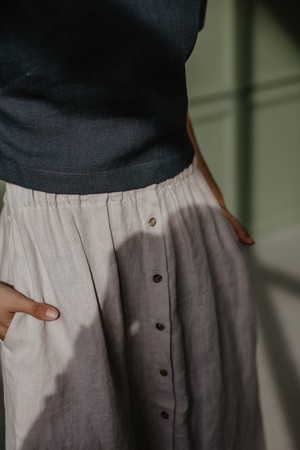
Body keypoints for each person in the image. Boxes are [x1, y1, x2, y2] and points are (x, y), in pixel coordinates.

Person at [0, 1, 266, 449]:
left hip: (187, 216)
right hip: (56, 246)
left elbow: (157, 78)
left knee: (211, 426)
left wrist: (208, 187)